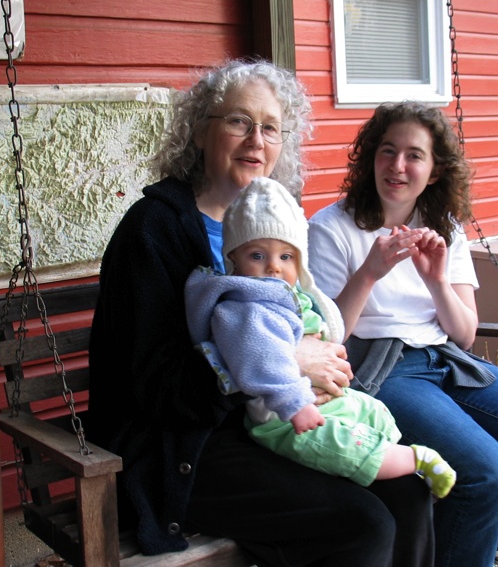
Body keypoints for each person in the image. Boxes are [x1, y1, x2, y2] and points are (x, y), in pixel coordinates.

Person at [88, 60, 435, 567]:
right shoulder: (154, 230)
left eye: (270, 127)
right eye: (237, 121)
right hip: (183, 444)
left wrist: (316, 363)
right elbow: (157, 389)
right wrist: (285, 361)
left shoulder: (277, 224)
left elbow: (312, 321)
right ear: (200, 130)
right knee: (360, 523)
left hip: (269, 422)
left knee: (409, 487)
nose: (256, 140)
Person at [307, 101, 498, 567]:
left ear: (433, 171)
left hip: (449, 362)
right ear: (371, 157)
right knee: (491, 474)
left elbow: (465, 334)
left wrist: (436, 280)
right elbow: (330, 340)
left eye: (414, 155)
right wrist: (369, 273)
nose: (397, 165)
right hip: (383, 372)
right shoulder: (331, 227)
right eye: (387, 151)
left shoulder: (445, 228)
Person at [184, 177, 456, 496]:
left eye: (286, 257)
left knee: (373, 412)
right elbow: (260, 361)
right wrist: (295, 405)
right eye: (257, 256)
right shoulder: (245, 308)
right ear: (234, 260)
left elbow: (330, 329)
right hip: (281, 416)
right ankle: (415, 459)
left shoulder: (291, 294)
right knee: (341, 446)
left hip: (320, 399)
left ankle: (391, 458)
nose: (273, 266)